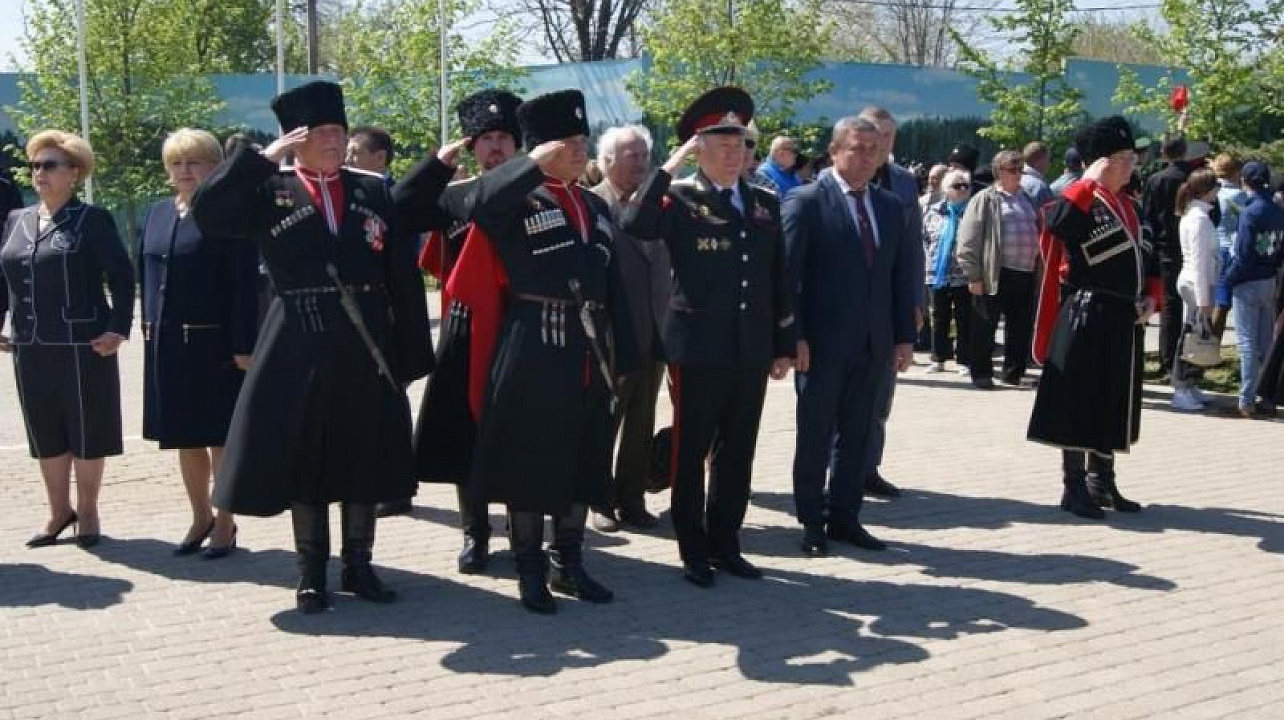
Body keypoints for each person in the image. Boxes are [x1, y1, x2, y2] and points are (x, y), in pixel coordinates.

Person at [190, 81, 435, 613]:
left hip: (364, 338)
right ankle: (309, 573)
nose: (332, 140)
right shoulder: (270, 188)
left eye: (338, 130)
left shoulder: (371, 190)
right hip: (298, 338)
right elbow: (210, 213)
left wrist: (409, 349)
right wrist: (258, 161)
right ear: (293, 140)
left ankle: (359, 564)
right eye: (320, 131)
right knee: (308, 456)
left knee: (362, 450)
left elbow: (400, 270)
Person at [440, 89, 638, 613]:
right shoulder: (513, 198)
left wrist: (629, 355)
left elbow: (614, 284)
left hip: (588, 346)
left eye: (582, 140)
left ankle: (568, 563)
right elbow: (474, 204)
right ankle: (529, 571)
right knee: (530, 462)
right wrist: (530, 165)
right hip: (534, 340)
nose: (579, 149)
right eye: (567, 142)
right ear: (543, 149)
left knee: (582, 456)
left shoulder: (592, 204)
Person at [622, 86, 795, 588]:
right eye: (721, 145)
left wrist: (784, 341)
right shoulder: (677, 199)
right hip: (695, 347)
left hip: (750, 346)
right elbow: (635, 223)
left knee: (738, 449)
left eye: (739, 145)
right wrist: (667, 168)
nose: (733, 154)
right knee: (691, 449)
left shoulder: (764, 200)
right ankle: (692, 547)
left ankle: (726, 541)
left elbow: (777, 274)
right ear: (698, 149)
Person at [783, 115, 919, 557]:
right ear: (835, 150)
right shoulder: (805, 202)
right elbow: (788, 279)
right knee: (816, 434)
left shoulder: (888, 206)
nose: (867, 159)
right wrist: (794, 336)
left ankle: (845, 517)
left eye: (874, 151)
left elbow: (898, 277)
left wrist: (902, 337)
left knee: (858, 434)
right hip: (820, 345)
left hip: (873, 343)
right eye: (858, 149)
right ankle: (811, 521)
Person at [399, 87, 523, 571]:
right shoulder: (452, 198)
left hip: (519, 329)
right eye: (485, 138)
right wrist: (438, 163)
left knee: (517, 434)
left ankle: (522, 528)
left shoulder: (535, 195)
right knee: (466, 438)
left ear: (519, 145)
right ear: (472, 147)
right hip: (466, 331)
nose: (495, 147)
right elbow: (401, 206)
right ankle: (475, 533)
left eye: (503, 137)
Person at [0, 130, 134, 548]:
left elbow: (122, 274)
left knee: (86, 430)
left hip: (84, 344)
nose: (40, 173)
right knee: (45, 432)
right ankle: (58, 511)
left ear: (74, 173)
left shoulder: (91, 220)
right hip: (30, 343)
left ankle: (88, 511)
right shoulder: (16, 220)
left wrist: (117, 327)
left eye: (50, 165)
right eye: (35, 166)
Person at [1028, 116, 1160, 520]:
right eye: (1120, 158)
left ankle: (1102, 479)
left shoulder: (1129, 205)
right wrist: (1086, 181)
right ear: (1099, 162)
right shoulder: (1082, 199)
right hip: (1087, 311)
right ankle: (1072, 487)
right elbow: (1058, 225)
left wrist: (1152, 296)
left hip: (1122, 315)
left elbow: (1149, 254)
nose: (1129, 165)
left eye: (1131, 157)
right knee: (1080, 398)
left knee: (1112, 398)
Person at [139, 128, 259, 557]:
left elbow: (246, 287)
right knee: (183, 438)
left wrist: (245, 344)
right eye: (176, 163)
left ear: (215, 167)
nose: (184, 171)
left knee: (219, 439)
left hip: (216, 348)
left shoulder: (228, 217)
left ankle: (225, 522)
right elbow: (147, 275)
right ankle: (199, 517)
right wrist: (146, 326)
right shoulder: (157, 213)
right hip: (167, 346)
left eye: (194, 162)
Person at [589, 124, 668, 533]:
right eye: (631, 155)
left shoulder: (659, 202)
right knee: (606, 420)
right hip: (612, 335)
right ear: (606, 161)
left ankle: (632, 498)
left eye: (643, 153)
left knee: (642, 420)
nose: (641, 161)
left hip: (655, 329)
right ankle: (599, 500)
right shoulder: (593, 205)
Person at [857, 106, 923, 498]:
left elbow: (912, 247)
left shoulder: (902, 183)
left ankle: (869, 468)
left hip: (889, 306)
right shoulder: (833, 184)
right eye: (876, 135)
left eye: (889, 137)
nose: (883, 144)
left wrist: (916, 301)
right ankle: (838, 471)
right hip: (845, 310)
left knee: (881, 393)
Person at [957, 149, 1040, 389]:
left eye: (1020, 169)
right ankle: (981, 373)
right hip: (994, 271)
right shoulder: (986, 199)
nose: (1018, 174)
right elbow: (968, 238)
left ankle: (1013, 372)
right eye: (1012, 169)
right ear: (998, 171)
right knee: (985, 325)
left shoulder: (1027, 199)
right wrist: (973, 274)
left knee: (1020, 326)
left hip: (1024, 272)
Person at [1225, 161, 1284, 418]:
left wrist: (1228, 279)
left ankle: (1246, 398)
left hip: (1248, 281)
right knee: (1264, 342)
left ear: (1245, 181)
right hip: (1269, 278)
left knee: (1247, 343)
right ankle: (1264, 395)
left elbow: (1244, 254)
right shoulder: (1277, 210)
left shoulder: (1250, 212)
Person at [1170, 168, 1221, 412]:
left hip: (1193, 280)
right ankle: (1180, 387)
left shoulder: (1196, 215)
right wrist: (1204, 298)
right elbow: (1201, 261)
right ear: (1208, 191)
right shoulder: (1199, 220)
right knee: (1189, 336)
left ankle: (1189, 384)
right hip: (1194, 282)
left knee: (1196, 334)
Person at [1142, 135, 1192, 378]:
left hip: (1165, 247)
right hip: (1189, 246)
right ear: (1184, 151)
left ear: (1163, 152)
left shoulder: (1155, 180)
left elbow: (1147, 216)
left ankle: (1168, 356)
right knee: (1190, 304)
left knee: (1171, 304)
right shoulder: (1193, 179)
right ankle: (1187, 357)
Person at [923, 168, 973, 375]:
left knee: (964, 318)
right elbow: (924, 238)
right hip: (937, 273)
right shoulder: (933, 210)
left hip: (964, 274)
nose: (962, 189)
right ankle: (938, 358)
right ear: (946, 189)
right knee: (939, 316)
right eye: (957, 186)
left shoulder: (972, 211)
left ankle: (964, 360)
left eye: (965, 186)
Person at [1211, 154, 1248, 339]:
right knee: (1223, 300)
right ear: (1235, 172)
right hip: (1229, 248)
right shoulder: (1239, 196)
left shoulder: (1213, 191)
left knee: (1213, 296)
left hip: (1213, 248)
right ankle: (1214, 343)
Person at [1020, 141, 1054, 209]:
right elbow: (1050, 217)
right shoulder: (1041, 188)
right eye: (1049, 159)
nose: (1050, 164)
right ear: (1040, 161)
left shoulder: (1013, 181)